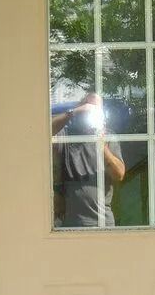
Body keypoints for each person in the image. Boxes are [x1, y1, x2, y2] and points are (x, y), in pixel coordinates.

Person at [52, 93, 125, 227]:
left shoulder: (108, 136)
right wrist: (73, 112)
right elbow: (42, 132)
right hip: (71, 222)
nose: (91, 114)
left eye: (96, 110)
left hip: (103, 222)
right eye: (88, 109)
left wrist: (103, 147)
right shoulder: (67, 135)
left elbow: (119, 174)